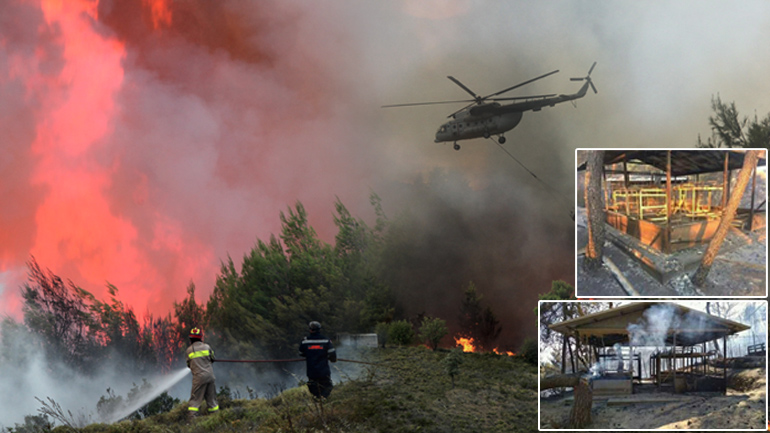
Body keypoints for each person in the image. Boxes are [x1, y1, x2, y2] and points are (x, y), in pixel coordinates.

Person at [185, 327, 219, 418]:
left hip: (199, 378)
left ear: (191, 339)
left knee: (195, 401)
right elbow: (212, 359)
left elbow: (189, 364)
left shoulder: (189, 350)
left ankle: (192, 420)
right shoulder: (207, 347)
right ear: (200, 338)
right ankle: (216, 418)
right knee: (212, 400)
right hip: (210, 376)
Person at [298, 321, 337, 398]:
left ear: (310, 330)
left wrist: (311, 354)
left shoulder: (305, 341)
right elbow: (332, 354)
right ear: (319, 330)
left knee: (314, 390)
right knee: (327, 387)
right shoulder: (326, 340)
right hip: (324, 371)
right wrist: (332, 359)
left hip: (312, 372)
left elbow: (301, 353)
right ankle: (323, 401)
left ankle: (318, 402)